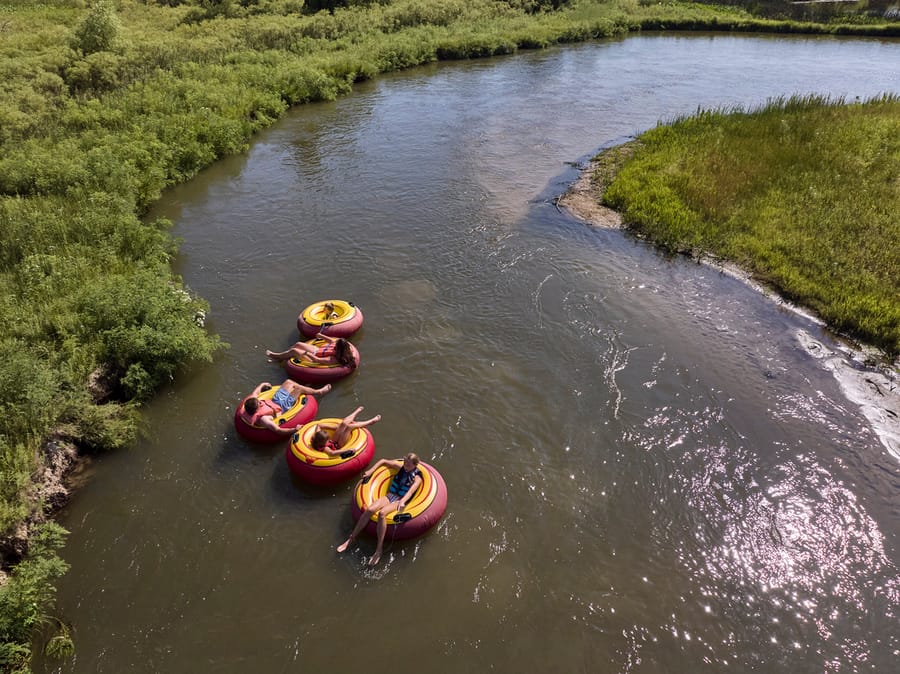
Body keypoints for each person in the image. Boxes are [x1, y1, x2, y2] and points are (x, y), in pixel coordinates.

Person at [336, 453, 422, 566]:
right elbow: (383, 460)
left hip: (399, 500)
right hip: (390, 495)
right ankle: (351, 539)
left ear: (415, 465)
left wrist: (402, 501)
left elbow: (410, 491)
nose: (405, 466)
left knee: (382, 513)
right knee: (370, 510)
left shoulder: (417, 478)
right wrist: (371, 471)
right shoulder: (400, 467)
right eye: (405, 462)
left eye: (409, 465)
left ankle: (379, 549)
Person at [241, 379, 331, 436]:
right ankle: (319, 392)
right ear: (256, 410)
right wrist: (294, 430)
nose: (261, 402)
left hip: (275, 401)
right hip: (283, 407)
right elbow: (278, 430)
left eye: (260, 402)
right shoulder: (263, 419)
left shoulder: (251, 403)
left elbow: (255, 393)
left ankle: (304, 388)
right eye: (259, 404)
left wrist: (262, 384)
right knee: (299, 389)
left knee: (288, 382)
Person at [310, 406, 381, 456]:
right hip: (338, 446)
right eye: (327, 440)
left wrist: (336, 427)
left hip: (333, 442)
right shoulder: (325, 448)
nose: (328, 439)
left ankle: (356, 412)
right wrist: (347, 450)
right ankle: (370, 422)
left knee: (343, 424)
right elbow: (332, 453)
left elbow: (319, 425)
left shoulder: (316, 435)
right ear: (322, 442)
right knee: (350, 427)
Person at [266, 333, 356, 368]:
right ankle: (281, 358)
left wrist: (306, 353)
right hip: (317, 351)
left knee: (294, 351)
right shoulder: (342, 347)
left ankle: (276, 356)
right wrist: (321, 335)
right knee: (298, 344)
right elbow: (331, 341)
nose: (335, 344)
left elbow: (317, 360)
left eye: (337, 344)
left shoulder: (335, 358)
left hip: (313, 358)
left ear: (340, 348)